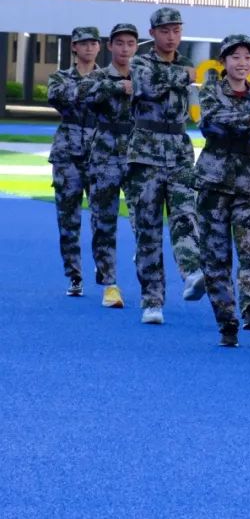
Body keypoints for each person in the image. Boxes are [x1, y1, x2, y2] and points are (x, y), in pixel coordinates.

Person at [127, 7, 205, 325]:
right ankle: (152, 299)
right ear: (152, 34)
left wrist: (183, 74)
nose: (171, 37)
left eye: (176, 30)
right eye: (164, 31)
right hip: (145, 152)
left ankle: (192, 271)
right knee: (148, 228)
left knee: (185, 215)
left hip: (179, 150)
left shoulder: (185, 63)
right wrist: (183, 76)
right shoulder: (140, 62)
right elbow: (148, 86)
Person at [195, 34, 250, 347]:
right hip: (212, 181)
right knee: (216, 256)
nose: (242, 63)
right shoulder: (211, 90)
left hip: (249, 181)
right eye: (235, 57)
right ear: (223, 62)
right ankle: (226, 321)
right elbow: (212, 119)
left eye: (247, 57)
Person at [80, 23, 139, 309]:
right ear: (110, 46)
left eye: (130, 43)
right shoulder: (99, 76)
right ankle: (110, 283)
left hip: (139, 153)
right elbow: (84, 95)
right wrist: (118, 87)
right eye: (120, 43)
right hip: (105, 154)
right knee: (104, 221)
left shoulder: (145, 76)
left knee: (144, 217)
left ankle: (147, 274)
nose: (125, 49)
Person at [47, 26, 100, 297]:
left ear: (99, 47)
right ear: (74, 47)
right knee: (68, 218)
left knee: (102, 217)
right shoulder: (59, 77)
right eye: (83, 43)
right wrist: (97, 88)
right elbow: (58, 96)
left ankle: (104, 269)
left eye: (93, 43)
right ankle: (74, 275)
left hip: (99, 152)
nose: (89, 47)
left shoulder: (109, 76)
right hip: (67, 153)